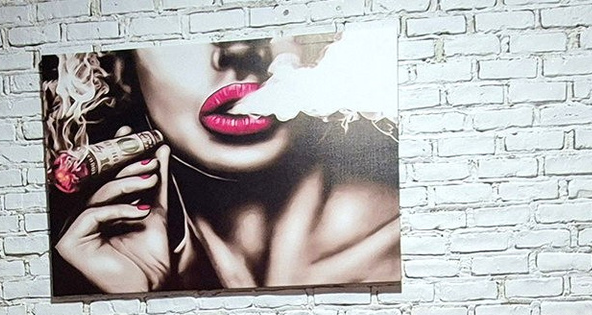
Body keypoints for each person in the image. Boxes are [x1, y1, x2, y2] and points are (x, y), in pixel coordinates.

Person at [41, 35, 400, 295]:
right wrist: (141, 290)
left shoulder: (400, 244)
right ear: (122, 69)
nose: (239, 50)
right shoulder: (131, 257)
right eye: (181, 32)